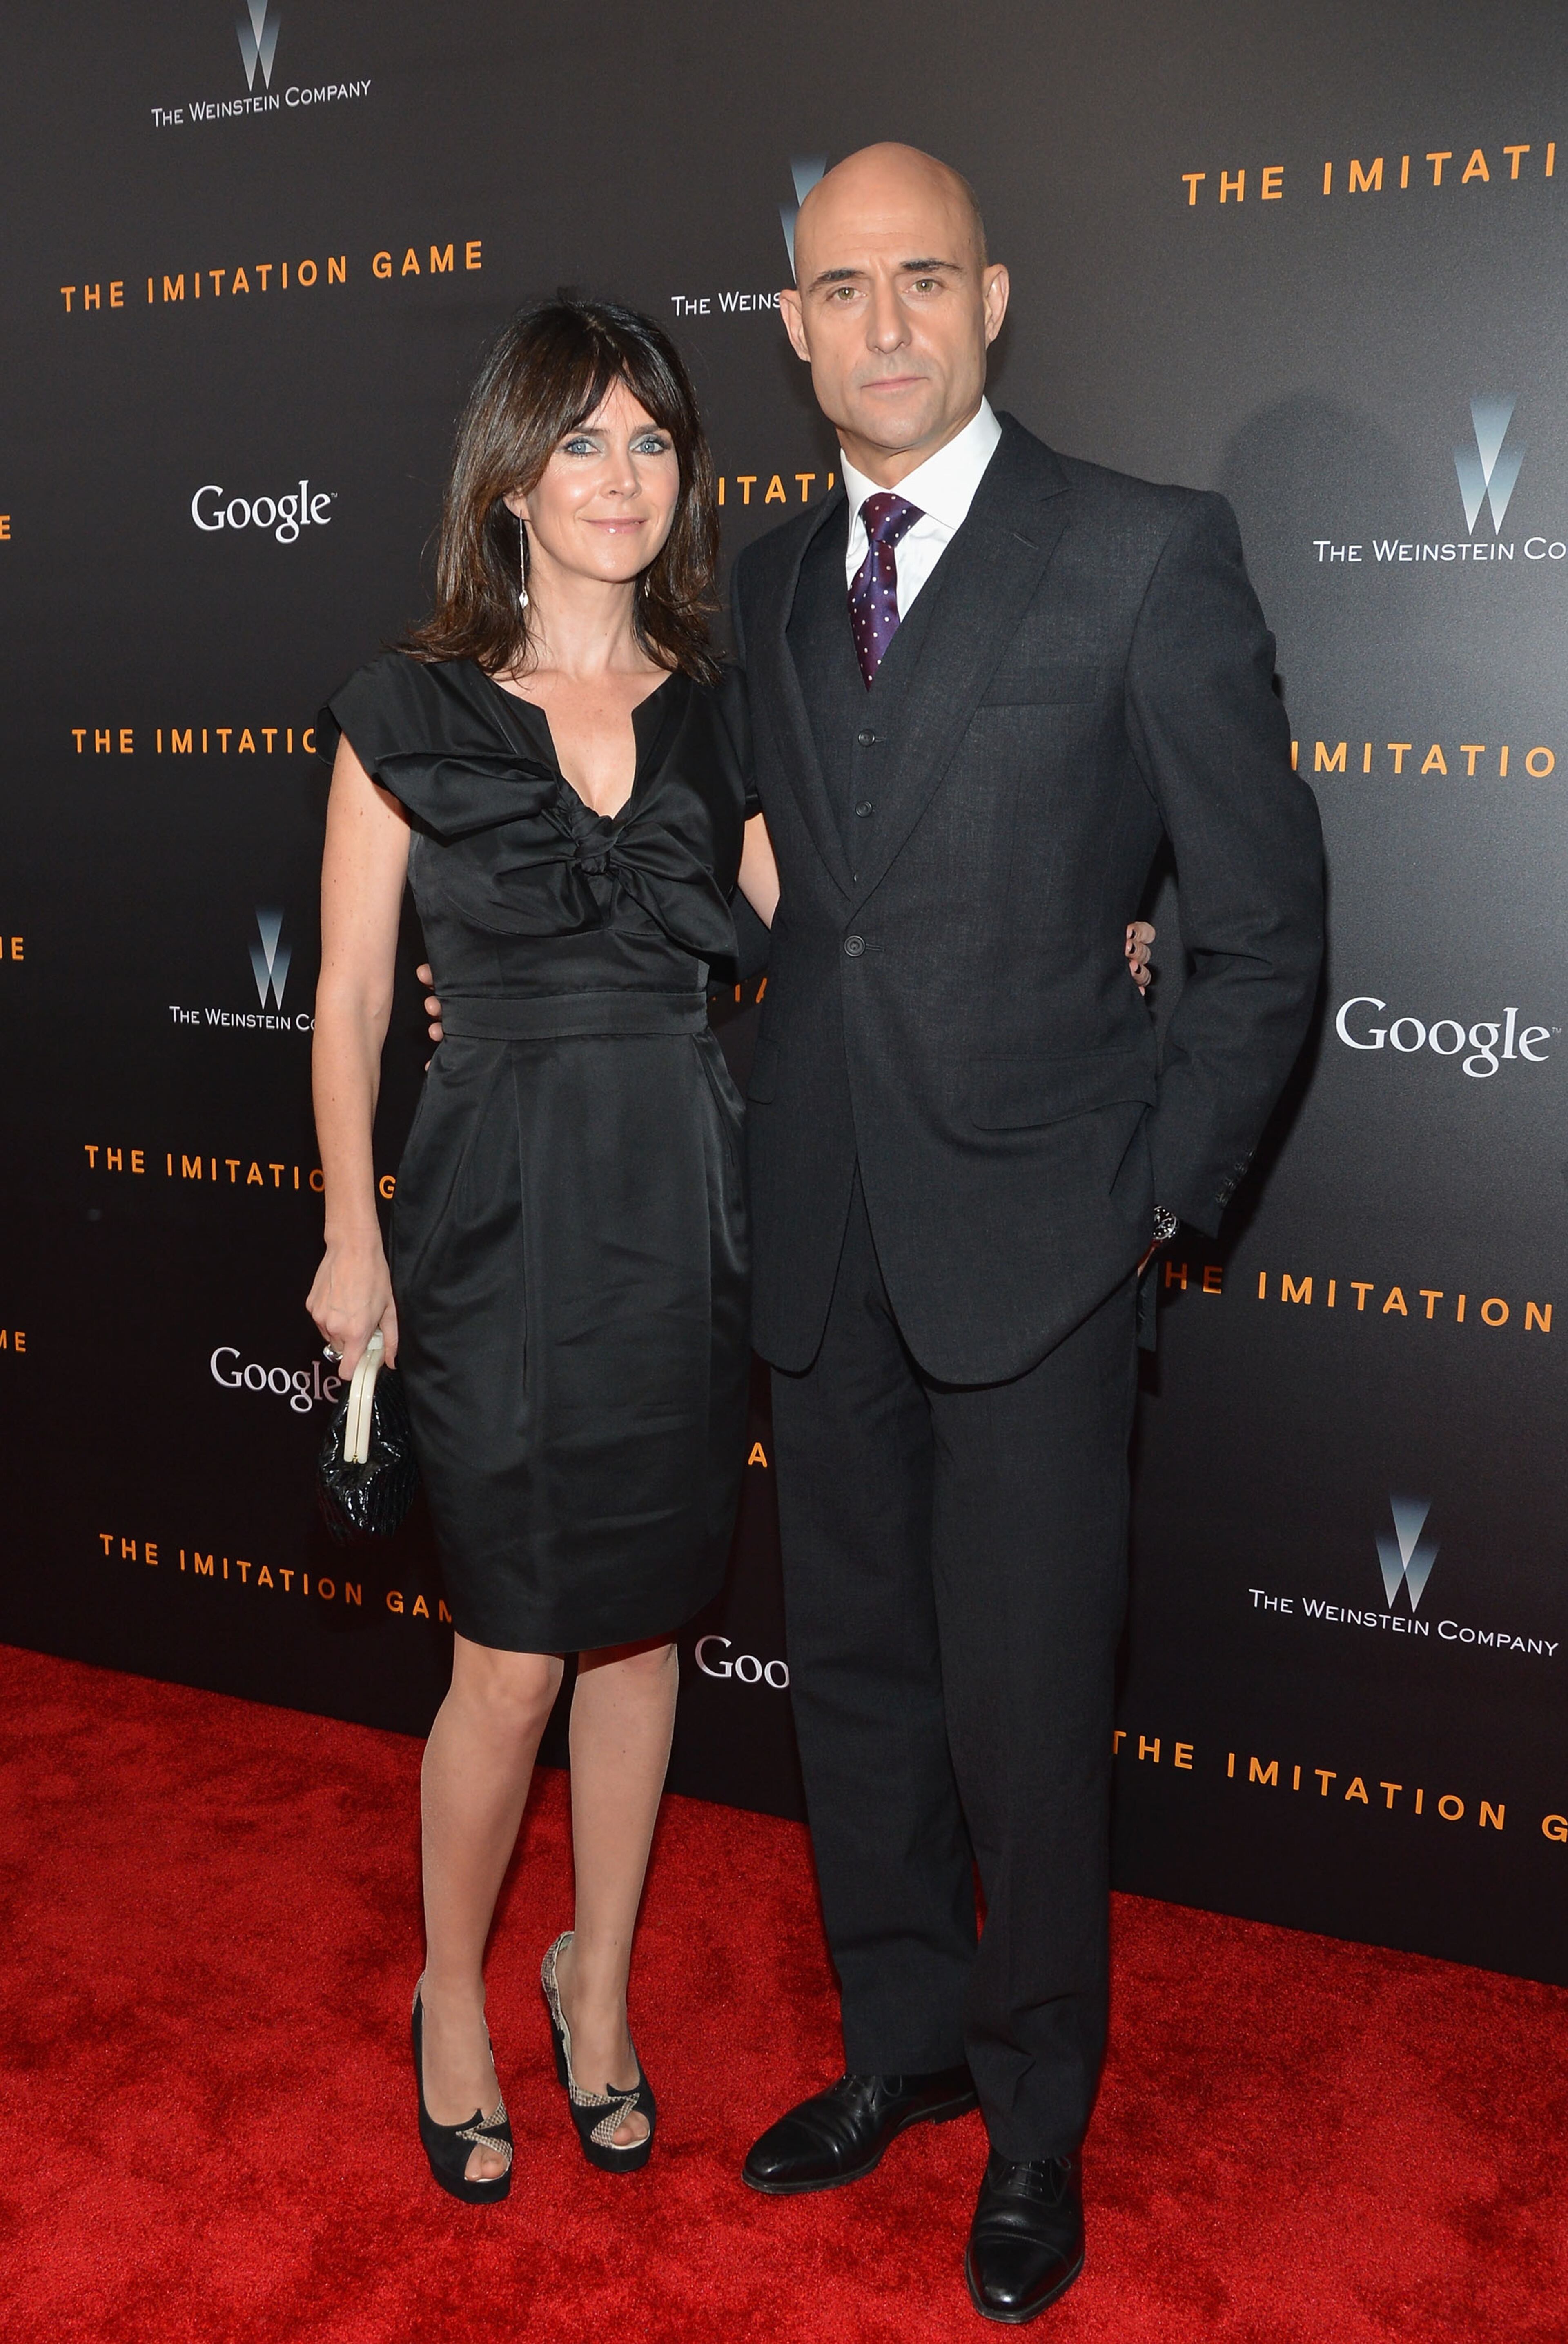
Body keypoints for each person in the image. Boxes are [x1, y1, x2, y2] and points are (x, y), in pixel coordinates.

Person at [726, 145, 1325, 2325]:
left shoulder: (1145, 551)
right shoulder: (771, 581)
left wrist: (1156, 1195)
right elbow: (776, 890)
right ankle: (897, 2038)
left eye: (923, 279)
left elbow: (1263, 925)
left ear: (993, 299)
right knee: (859, 1678)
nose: (883, 323)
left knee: (1030, 1701)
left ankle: (1034, 2110)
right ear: (793, 328)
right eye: (840, 288)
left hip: (1047, 1242)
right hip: (823, 1225)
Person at [306, 299, 782, 2199]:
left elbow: (822, 929)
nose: (620, 477)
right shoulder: (404, 710)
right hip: (490, 1217)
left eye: (652, 440)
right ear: (509, 477)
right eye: (580, 440)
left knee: (645, 1631)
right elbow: (352, 1000)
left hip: (677, 1212)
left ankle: (597, 1985)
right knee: (507, 1656)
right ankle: (452, 1989)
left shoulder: (729, 712)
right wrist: (352, 1238)